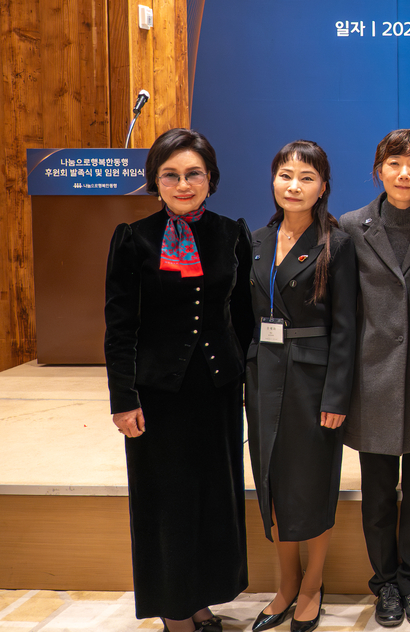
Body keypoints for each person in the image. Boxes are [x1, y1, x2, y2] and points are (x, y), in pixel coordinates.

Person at [104, 128, 253, 632]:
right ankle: (174, 610)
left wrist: (245, 380)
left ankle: (201, 599)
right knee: (167, 503)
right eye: (171, 175)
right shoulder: (134, 238)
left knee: (212, 498)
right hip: (158, 395)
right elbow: (120, 326)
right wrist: (123, 399)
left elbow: (242, 316)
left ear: (210, 178)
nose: (183, 184)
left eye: (193, 174)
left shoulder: (232, 234)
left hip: (217, 389)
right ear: (156, 181)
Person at [340, 130, 410, 628]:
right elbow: (345, 309)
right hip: (373, 378)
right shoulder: (351, 226)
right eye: (394, 164)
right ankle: (384, 582)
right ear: (378, 170)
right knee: (379, 490)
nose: (404, 174)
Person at [246, 140, 358, 632]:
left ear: (323, 187)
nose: (294, 186)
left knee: (311, 483)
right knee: (271, 478)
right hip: (263, 373)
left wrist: (337, 395)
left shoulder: (337, 243)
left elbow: (347, 327)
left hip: (313, 378)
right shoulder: (255, 240)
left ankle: (312, 584)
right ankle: (285, 582)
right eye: (286, 175)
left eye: (306, 178)